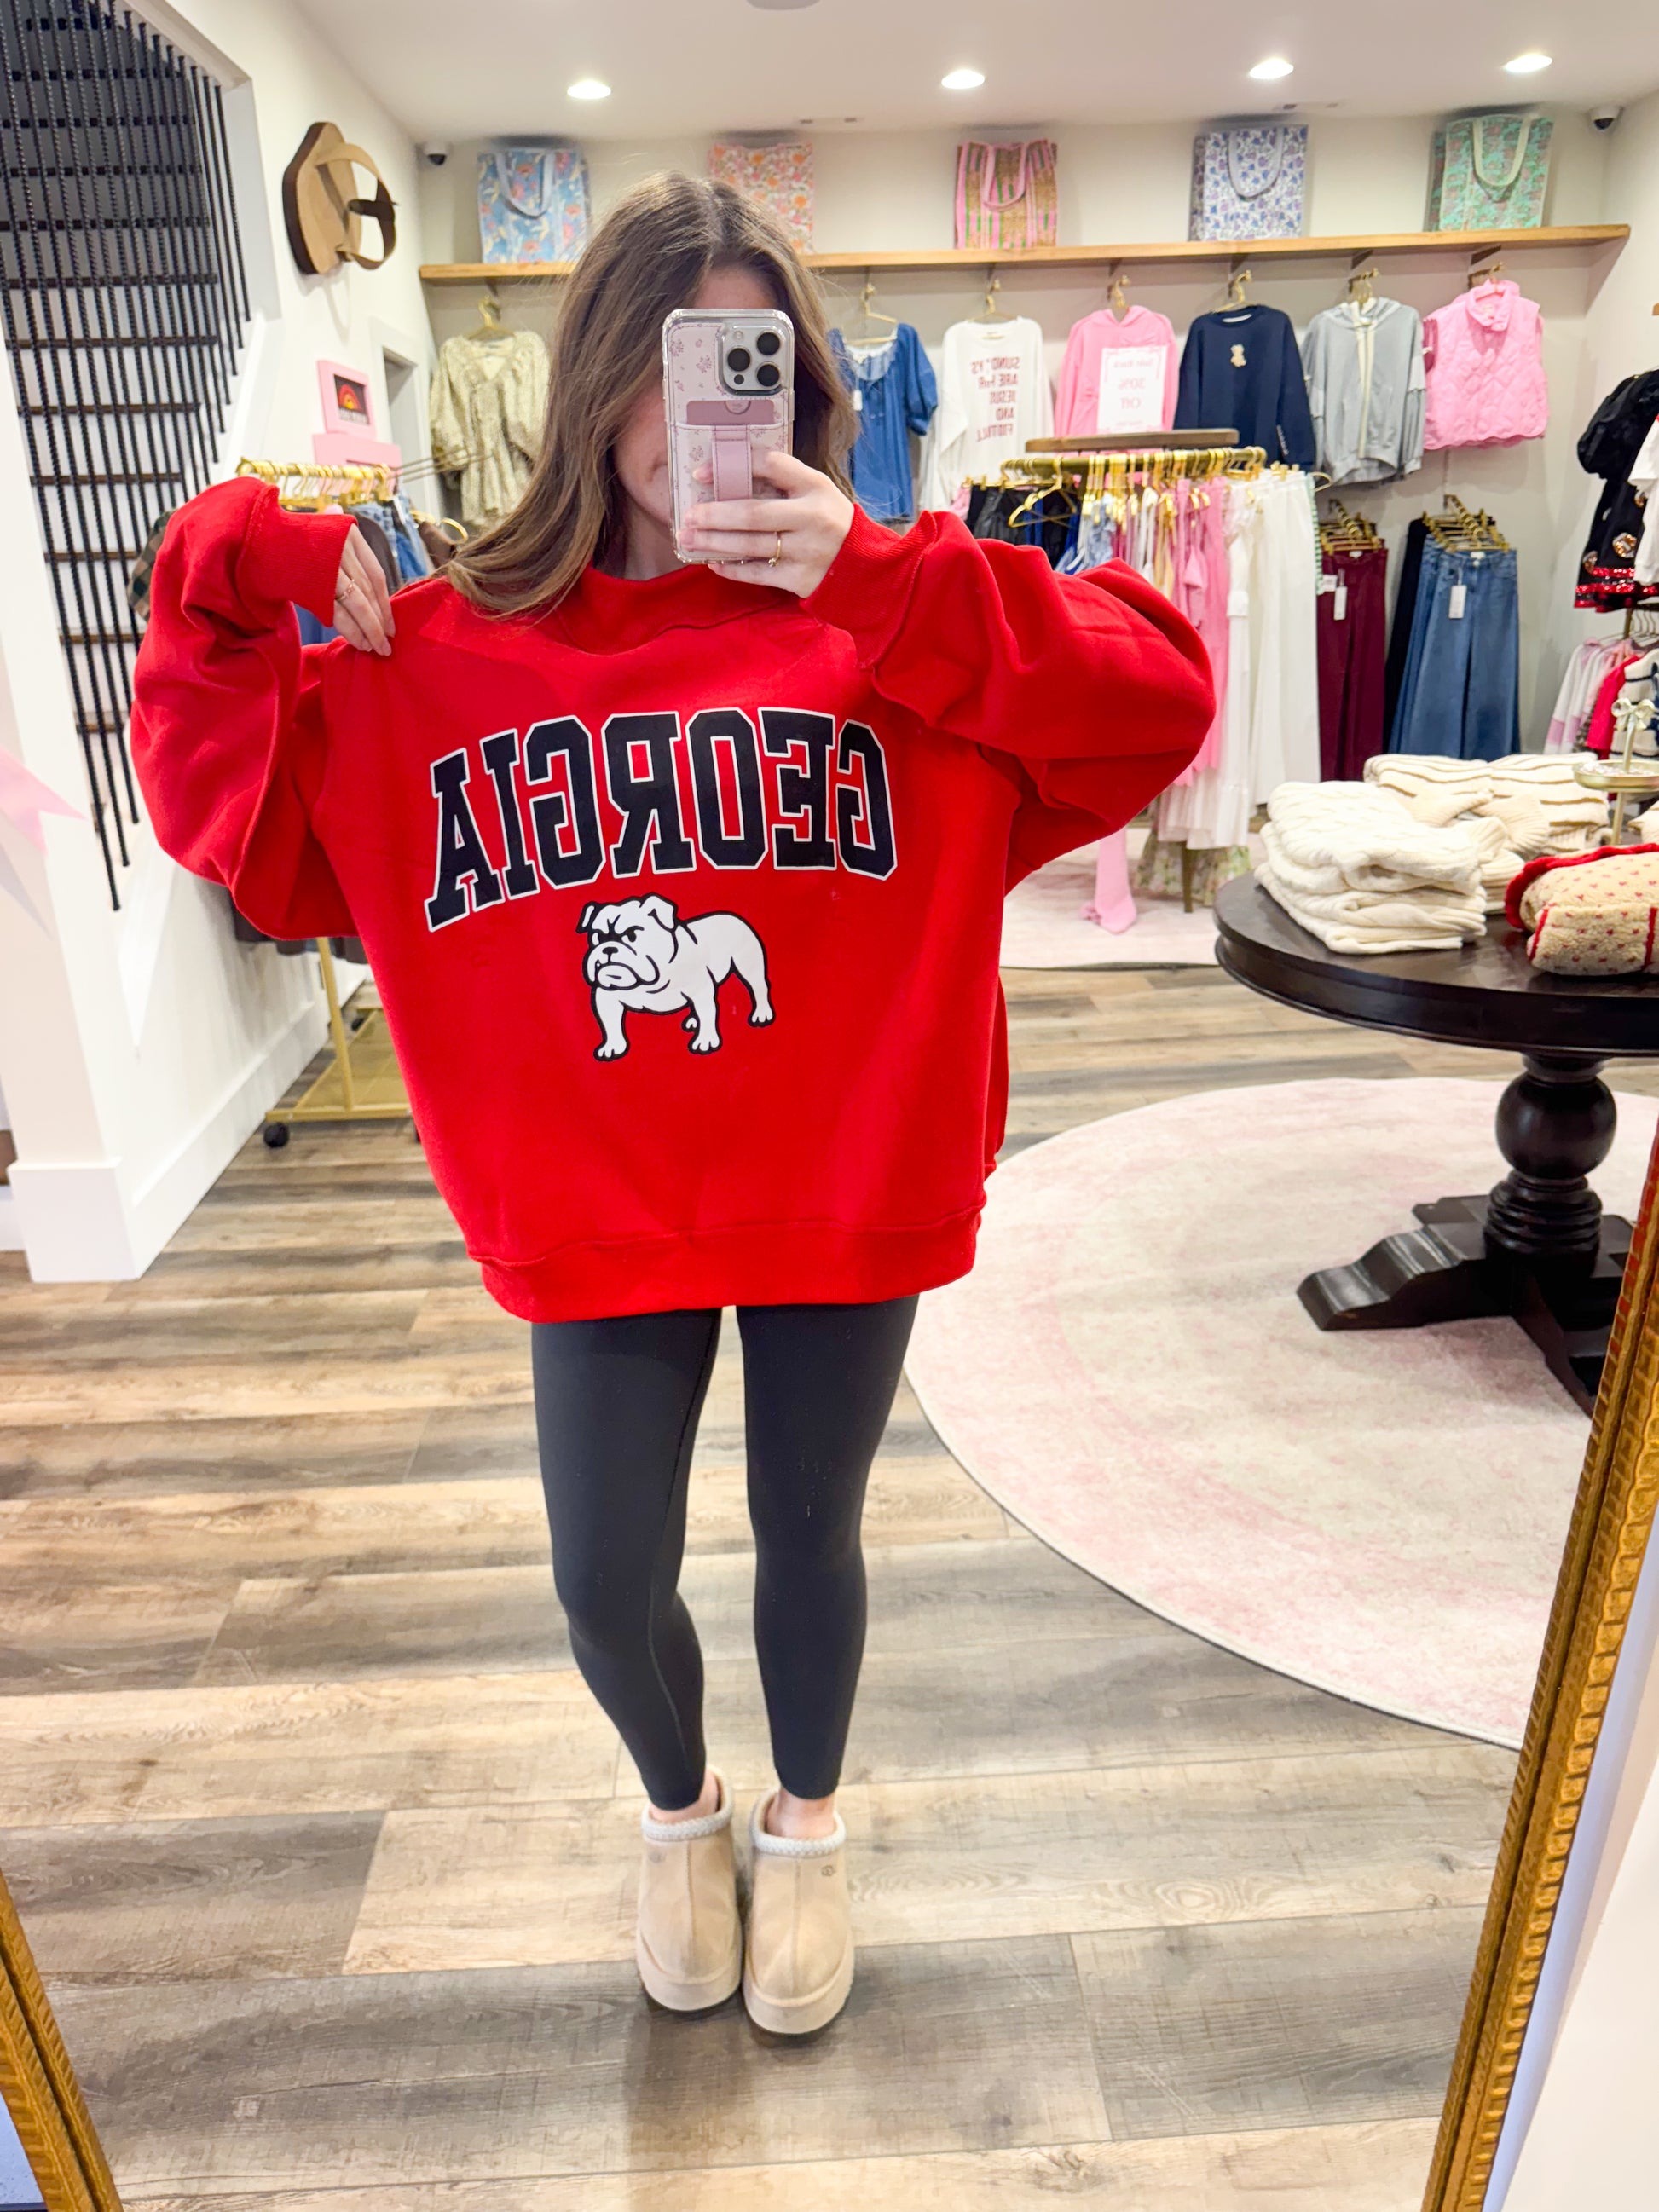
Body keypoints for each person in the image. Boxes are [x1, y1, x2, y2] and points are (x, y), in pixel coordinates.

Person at [130, 173, 1212, 2037]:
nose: (692, 412)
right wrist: (245, 553)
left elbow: (1158, 700)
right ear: (590, 379)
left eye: (744, 360)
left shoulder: (901, 617)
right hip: (595, 1203)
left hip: (843, 1183)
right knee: (600, 1574)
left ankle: (806, 1827)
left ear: (798, 387)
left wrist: (877, 574)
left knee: (812, 1531)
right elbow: (222, 806)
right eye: (660, 359)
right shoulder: (441, 651)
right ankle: (679, 1809)